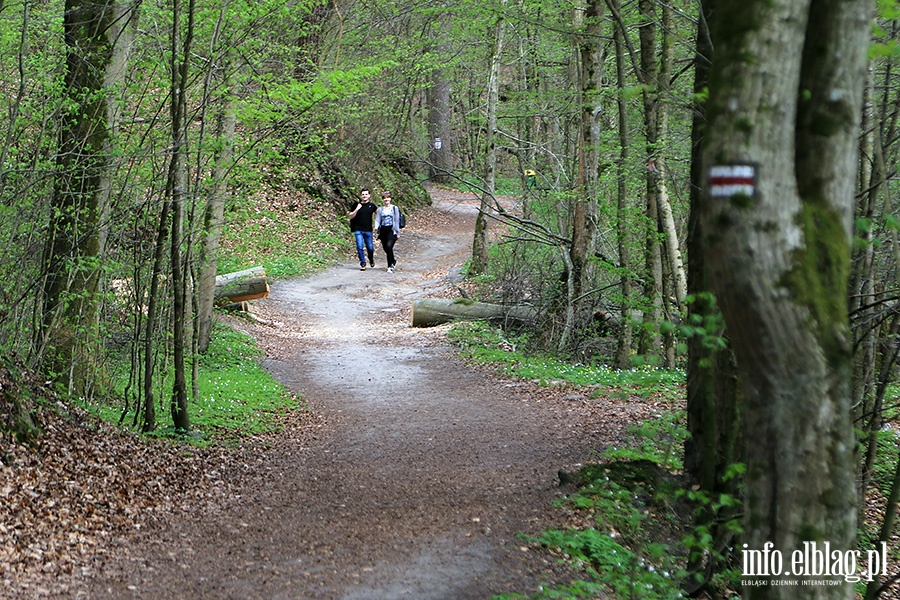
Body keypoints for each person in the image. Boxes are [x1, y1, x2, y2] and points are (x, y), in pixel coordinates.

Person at [348, 188, 377, 270]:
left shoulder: (372, 206)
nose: (364, 196)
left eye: (366, 194)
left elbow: (378, 215)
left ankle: (371, 259)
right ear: (360, 195)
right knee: (360, 246)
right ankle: (363, 262)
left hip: (368, 230)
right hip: (358, 230)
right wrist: (357, 209)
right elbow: (350, 216)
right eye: (363, 194)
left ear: (369, 195)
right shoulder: (356, 205)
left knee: (370, 248)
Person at [374, 190, 400, 273]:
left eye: (388, 197)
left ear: (390, 199)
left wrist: (397, 232)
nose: (386, 199)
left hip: (392, 230)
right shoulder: (380, 209)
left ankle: (390, 266)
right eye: (384, 198)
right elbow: (378, 219)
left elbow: (396, 220)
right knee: (386, 248)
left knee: (389, 246)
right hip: (383, 230)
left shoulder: (394, 208)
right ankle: (393, 261)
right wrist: (376, 226)